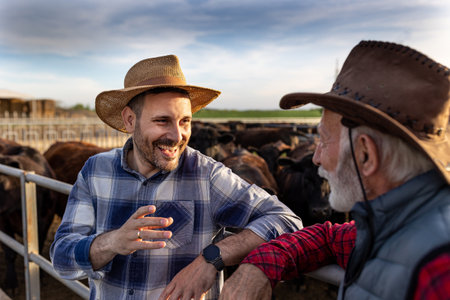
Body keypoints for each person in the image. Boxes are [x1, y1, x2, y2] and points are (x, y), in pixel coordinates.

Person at [50, 55, 302, 300]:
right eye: (162, 121)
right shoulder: (96, 170)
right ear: (130, 120)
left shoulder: (207, 176)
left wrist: (212, 257)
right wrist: (112, 242)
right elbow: (61, 259)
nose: (177, 135)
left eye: (185, 121)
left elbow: (286, 220)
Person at [220, 40, 450, 300]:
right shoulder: (390, 222)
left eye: (325, 140)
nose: (316, 158)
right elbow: (328, 239)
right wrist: (258, 265)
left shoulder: (439, 273)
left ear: (365, 154)